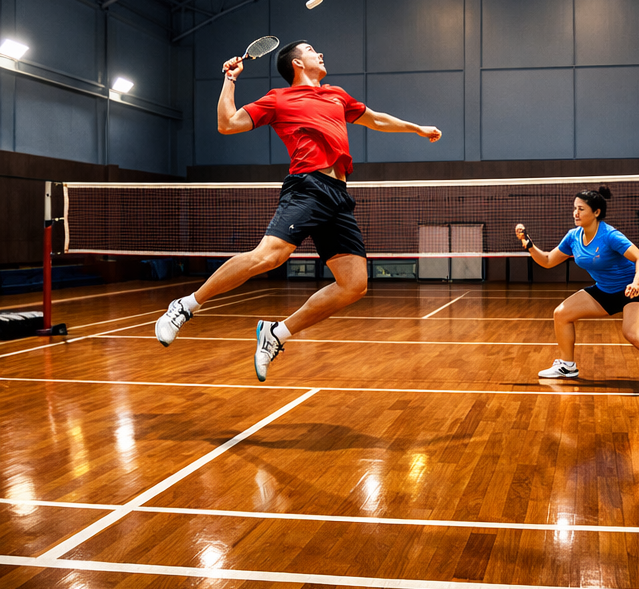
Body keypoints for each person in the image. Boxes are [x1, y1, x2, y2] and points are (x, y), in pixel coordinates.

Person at [155, 40, 441, 379]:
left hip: (338, 194)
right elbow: (227, 123)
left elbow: (376, 119)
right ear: (297, 64)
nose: (320, 53)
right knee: (269, 257)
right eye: (311, 50)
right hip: (307, 187)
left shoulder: (337, 95)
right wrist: (229, 79)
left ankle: (276, 334)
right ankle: (185, 306)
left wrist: (417, 129)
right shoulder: (279, 99)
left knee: (354, 285)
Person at [517, 187, 639, 397]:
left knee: (633, 333)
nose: (576, 213)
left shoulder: (610, 235)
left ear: (596, 212)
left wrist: (637, 282)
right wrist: (529, 245)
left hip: (633, 290)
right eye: (574, 208)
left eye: (581, 209)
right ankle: (567, 365)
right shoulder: (573, 237)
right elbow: (547, 261)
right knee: (561, 314)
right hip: (605, 291)